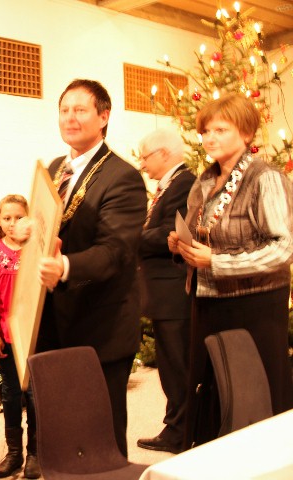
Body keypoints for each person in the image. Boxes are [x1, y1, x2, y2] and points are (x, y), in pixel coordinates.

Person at [168, 92, 293, 449]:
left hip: (254, 305)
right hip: (208, 300)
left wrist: (217, 261)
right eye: (206, 131)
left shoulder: (264, 177)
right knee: (213, 391)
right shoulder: (204, 181)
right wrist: (181, 245)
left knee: (253, 394)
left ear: (247, 133)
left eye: (221, 130)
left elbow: (284, 248)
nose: (210, 138)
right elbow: (203, 235)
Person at [35, 79, 147, 458]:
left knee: (102, 435)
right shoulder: (55, 168)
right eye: (64, 110)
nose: (70, 118)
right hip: (54, 321)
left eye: (80, 110)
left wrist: (64, 266)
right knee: (65, 429)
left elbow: (115, 252)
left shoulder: (123, 177)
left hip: (101, 325)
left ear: (103, 117)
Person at [135, 128, 196, 454]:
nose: (142, 164)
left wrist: (131, 236)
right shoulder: (169, 185)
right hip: (164, 293)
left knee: (177, 366)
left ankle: (180, 432)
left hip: (174, 292)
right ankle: (176, 427)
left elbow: (171, 234)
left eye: (145, 157)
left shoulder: (184, 183)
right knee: (171, 365)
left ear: (164, 153)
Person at [0, 194, 40, 478]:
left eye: (19, 217)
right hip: (7, 336)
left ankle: (35, 453)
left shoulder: (37, 248)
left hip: (35, 335)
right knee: (11, 395)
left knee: (35, 395)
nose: (13, 222)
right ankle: (14, 453)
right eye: (7, 217)